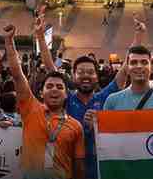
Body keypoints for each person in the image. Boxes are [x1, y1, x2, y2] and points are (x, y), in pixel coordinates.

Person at [40, 15, 134, 179]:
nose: (86, 76)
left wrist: (138, 37)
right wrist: (40, 36)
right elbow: (50, 69)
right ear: (73, 76)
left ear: (97, 77)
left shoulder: (104, 97)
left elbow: (125, 71)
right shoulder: (66, 98)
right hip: (67, 171)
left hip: (98, 172)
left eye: (90, 72)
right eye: (81, 72)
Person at [3, 24, 85, 179]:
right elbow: (17, 75)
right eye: (50, 86)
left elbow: (79, 167)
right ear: (41, 92)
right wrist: (9, 42)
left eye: (59, 87)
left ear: (66, 94)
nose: (54, 89)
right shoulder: (30, 108)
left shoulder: (76, 127)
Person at [102, 45, 153, 111]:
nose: (139, 66)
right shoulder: (112, 101)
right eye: (133, 62)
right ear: (127, 69)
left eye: (144, 62)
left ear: (151, 68)